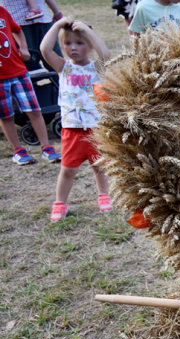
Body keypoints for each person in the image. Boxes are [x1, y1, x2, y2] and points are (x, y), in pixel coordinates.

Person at [40, 17, 111, 222]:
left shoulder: (96, 68)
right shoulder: (63, 68)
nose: (73, 48)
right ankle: (60, 203)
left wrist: (87, 32)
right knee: (68, 169)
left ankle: (103, 195)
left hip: (95, 127)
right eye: (68, 43)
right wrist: (56, 25)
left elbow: (106, 54)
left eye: (79, 43)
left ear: (89, 45)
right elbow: (45, 50)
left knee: (99, 165)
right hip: (72, 129)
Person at [0, 4, 61, 165]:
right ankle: (18, 151)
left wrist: (23, 48)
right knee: (6, 115)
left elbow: (17, 30)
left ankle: (47, 148)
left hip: (18, 72)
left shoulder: (3, 12)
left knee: (33, 110)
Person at [3, 0, 63, 70]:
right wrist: (57, 14)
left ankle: (62, 80)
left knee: (55, 62)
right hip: (20, 22)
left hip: (34, 19)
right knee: (29, 64)